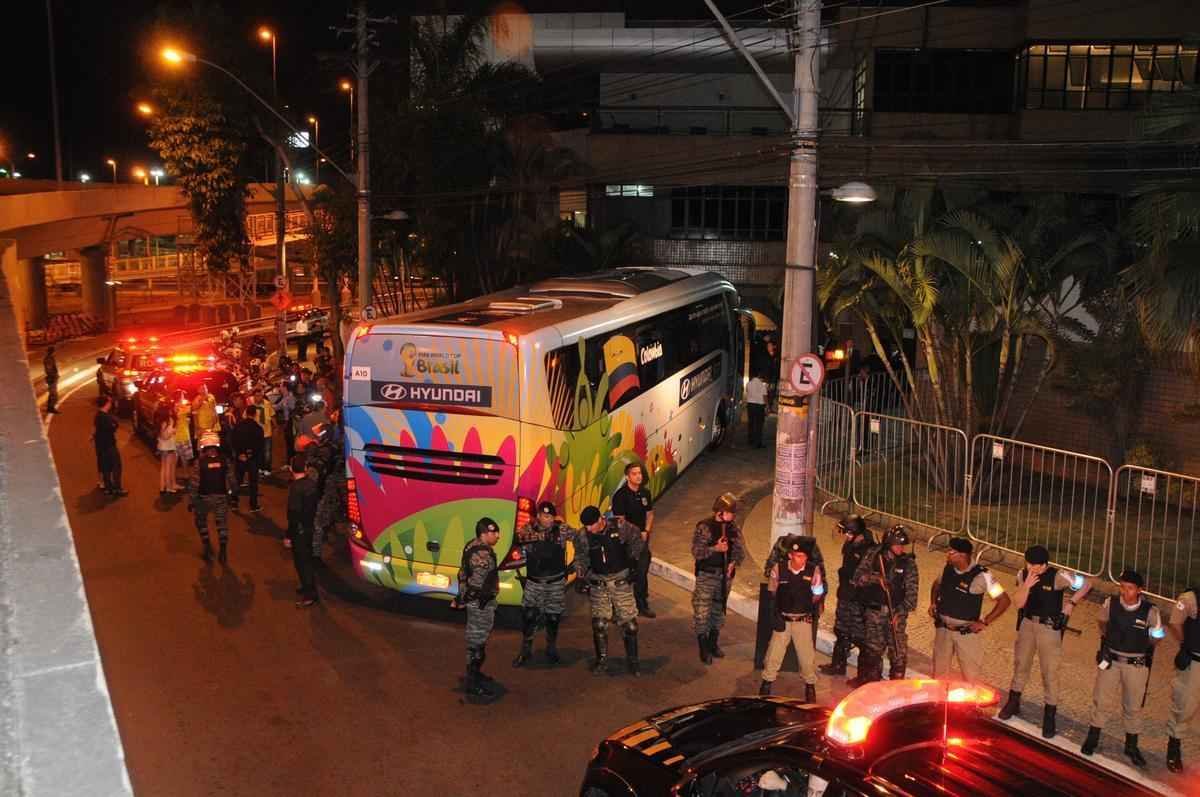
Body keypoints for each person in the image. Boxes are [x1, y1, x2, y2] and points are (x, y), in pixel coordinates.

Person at [998, 544, 1092, 739]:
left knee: (1049, 670)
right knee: (1021, 663)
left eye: (1037, 566)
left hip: (1049, 629)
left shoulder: (1058, 576)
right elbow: (1018, 603)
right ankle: (1014, 702)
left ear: (1045, 565)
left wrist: (1071, 604)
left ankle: (1050, 714)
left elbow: (1086, 584)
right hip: (1027, 624)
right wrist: (1026, 586)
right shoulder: (1023, 574)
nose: (1033, 569)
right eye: (1030, 564)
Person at [1082, 569, 1165, 765]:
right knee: (1101, 700)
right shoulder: (1110, 603)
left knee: (1133, 707)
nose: (1125, 592)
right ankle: (1092, 737)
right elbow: (1102, 622)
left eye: (1129, 588)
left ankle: (1131, 746)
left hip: (1135, 665)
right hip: (1111, 660)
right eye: (1122, 587)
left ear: (1139, 591)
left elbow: (1157, 637)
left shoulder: (1151, 612)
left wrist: (1144, 647)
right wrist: (1107, 642)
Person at [574, 505, 644, 676]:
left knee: (630, 626)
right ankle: (602, 660)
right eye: (586, 526)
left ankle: (633, 662)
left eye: (591, 525)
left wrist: (634, 563)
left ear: (600, 519)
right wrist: (580, 575)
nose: (589, 529)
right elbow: (580, 557)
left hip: (621, 581)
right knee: (599, 624)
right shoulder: (583, 535)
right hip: (599, 583)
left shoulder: (620, 526)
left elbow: (638, 540)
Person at [929, 537, 1011, 681]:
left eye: (952, 552)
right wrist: (933, 603)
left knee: (970, 676)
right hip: (943, 631)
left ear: (963, 555)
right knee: (939, 676)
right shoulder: (948, 568)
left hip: (966, 634)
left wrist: (985, 622)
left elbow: (1004, 601)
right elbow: (936, 585)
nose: (948, 553)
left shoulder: (983, 576)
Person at [512, 501, 581, 667]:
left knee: (553, 616)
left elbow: (580, 538)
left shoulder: (561, 529)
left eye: (550, 516)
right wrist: (540, 536)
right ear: (538, 516)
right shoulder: (529, 529)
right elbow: (518, 538)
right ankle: (526, 650)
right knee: (529, 616)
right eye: (544, 516)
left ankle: (551, 648)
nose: (548, 520)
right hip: (534, 582)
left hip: (555, 582)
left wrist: (578, 561)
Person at [849, 525, 918, 686]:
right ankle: (872, 686)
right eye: (897, 545)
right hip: (874, 614)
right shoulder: (874, 555)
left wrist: (898, 613)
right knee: (872, 652)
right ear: (888, 544)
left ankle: (895, 689)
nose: (900, 548)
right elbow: (857, 578)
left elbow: (912, 598)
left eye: (902, 545)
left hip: (896, 616)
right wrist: (875, 578)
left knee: (898, 654)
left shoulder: (908, 564)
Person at [759, 537, 825, 701]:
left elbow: (817, 594)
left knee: (806, 656)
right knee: (774, 653)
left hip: (802, 621)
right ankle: (767, 681)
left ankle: (810, 685)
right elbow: (773, 592)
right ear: (790, 555)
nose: (800, 560)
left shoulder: (813, 571)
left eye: (803, 556)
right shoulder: (779, 569)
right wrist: (777, 613)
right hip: (783, 619)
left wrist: (805, 607)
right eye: (797, 556)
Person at [692, 492, 746, 665]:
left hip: (725, 577)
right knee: (701, 613)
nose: (734, 515)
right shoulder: (704, 527)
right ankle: (703, 647)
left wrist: (732, 563)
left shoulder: (733, 528)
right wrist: (715, 548)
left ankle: (713, 643)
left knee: (718, 611)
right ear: (720, 511)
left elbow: (739, 551)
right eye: (731, 512)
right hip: (706, 575)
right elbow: (697, 552)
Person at [452, 517, 503, 699]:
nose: (498, 536)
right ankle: (472, 682)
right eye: (493, 532)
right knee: (477, 644)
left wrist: (461, 597)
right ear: (483, 534)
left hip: (478, 602)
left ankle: (475, 674)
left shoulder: (471, 545)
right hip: (480, 605)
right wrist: (465, 599)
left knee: (477, 642)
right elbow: (476, 585)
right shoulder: (483, 555)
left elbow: (463, 573)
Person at [820, 515, 874, 677]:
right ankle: (838, 665)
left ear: (855, 532)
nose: (845, 536)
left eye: (847, 533)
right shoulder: (851, 544)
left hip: (859, 600)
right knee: (841, 631)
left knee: (860, 637)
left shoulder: (869, 549)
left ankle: (863, 675)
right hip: (845, 595)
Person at [611, 462, 656, 618]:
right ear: (627, 476)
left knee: (642, 572)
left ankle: (642, 603)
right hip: (627, 542)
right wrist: (637, 533)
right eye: (634, 473)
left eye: (640, 473)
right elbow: (620, 522)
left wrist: (646, 530)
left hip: (642, 540)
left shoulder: (645, 493)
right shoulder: (620, 496)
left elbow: (650, 514)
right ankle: (619, 608)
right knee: (624, 575)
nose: (638, 476)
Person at [1166, 584, 1200, 772]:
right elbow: (1175, 621)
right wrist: (1185, 644)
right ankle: (1174, 747)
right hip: (1196, 663)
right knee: (1185, 706)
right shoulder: (1191, 598)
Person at [188, 432, 234, 563]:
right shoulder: (225, 460)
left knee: (200, 521)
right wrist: (232, 495)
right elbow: (232, 480)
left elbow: (194, 483)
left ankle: (207, 545)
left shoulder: (199, 463)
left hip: (203, 498)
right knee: (222, 525)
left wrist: (191, 501)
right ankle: (223, 551)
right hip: (221, 497)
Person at [309, 416, 347, 561]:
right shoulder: (339, 446)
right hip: (338, 487)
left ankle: (315, 553)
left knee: (318, 522)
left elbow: (316, 472)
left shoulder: (324, 450)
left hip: (327, 488)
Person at [287, 452, 322, 608]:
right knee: (307, 560)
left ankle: (309, 594)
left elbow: (293, 514)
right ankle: (307, 587)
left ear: (290, 469)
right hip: (310, 527)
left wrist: (288, 534)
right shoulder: (311, 484)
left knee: (302, 562)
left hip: (299, 530)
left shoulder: (296, 488)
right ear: (306, 468)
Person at [231, 405, 263, 512]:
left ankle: (234, 501)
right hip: (253, 458)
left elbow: (233, 441)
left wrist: (240, 453)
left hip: (240, 457)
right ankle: (253, 505)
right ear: (255, 414)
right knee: (253, 482)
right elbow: (260, 446)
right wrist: (251, 455)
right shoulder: (258, 428)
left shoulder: (238, 426)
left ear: (246, 413)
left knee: (238, 480)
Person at [93, 396, 126, 496]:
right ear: (106, 404)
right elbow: (113, 426)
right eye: (109, 402)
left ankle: (108, 488)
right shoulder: (105, 417)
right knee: (117, 466)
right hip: (109, 445)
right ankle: (117, 488)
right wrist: (114, 424)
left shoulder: (97, 416)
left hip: (101, 446)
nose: (111, 404)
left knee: (105, 467)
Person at [251, 388, 276, 476]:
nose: (258, 398)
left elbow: (272, 415)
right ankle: (260, 468)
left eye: (260, 396)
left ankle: (267, 468)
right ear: (253, 397)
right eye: (256, 396)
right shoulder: (251, 406)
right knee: (258, 452)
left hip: (267, 432)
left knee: (267, 452)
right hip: (256, 434)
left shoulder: (267, 404)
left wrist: (275, 425)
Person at [156, 404, 179, 494]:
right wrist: (173, 431)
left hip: (162, 447)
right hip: (168, 446)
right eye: (169, 410)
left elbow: (161, 435)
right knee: (168, 468)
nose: (171, 411)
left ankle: (162, 487)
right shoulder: (168, 421)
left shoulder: (160, 420)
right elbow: (165, 436)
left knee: (163, 467)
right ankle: (169, 487)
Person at [173, 391, 194, 481]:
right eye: (182, 396)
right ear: (180, 397)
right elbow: (192, 408)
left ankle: (172, 475)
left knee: (176, 458)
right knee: (185, 457)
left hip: (175, 437)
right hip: (183, 436)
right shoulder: (182, 408)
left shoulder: (173, 408)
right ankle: (186, 474)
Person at [745, 371, 768, 448]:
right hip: (759, 407)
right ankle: (758, 443)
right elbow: (765, 397)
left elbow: (747, 392)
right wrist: (767, 407)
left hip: (750, 406)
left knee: (751, 423)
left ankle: (750, 440)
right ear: (760, 377)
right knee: (759, 425)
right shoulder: (762, 385)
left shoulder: (748, 384)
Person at [43, 345, 59, 413]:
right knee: (53, 394)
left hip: (52, 377)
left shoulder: (50, 358)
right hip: (51, 378)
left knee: (52, 394)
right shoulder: (49, 359)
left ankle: (50, 407)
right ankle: (51, 408)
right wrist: (53, 377)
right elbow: (49, 369)